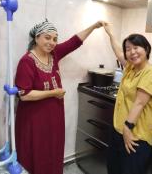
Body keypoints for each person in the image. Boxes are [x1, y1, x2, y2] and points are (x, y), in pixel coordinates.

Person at [15, 19, 104, 174]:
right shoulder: (26, 61)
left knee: (53, 149)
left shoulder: (54, 54)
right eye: (47, 37)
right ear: (36, 38)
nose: (52, 42)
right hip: (34, 118)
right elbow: (25, 95)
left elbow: (74, 42)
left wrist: (94, 26)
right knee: (37, 151)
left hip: (54, 116)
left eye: (55, 39)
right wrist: (54, 93)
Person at [102, 23, 152, 174]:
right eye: (128, 49)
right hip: (119, 130)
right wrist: (110, 34)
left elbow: (139, 103)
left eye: (136, 47)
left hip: (136, 136)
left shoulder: (150, 73)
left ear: (146, 49)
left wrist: (127, 129)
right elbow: (118, 51)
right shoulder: (131, 67)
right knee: (114, 169)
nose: (132, 52)